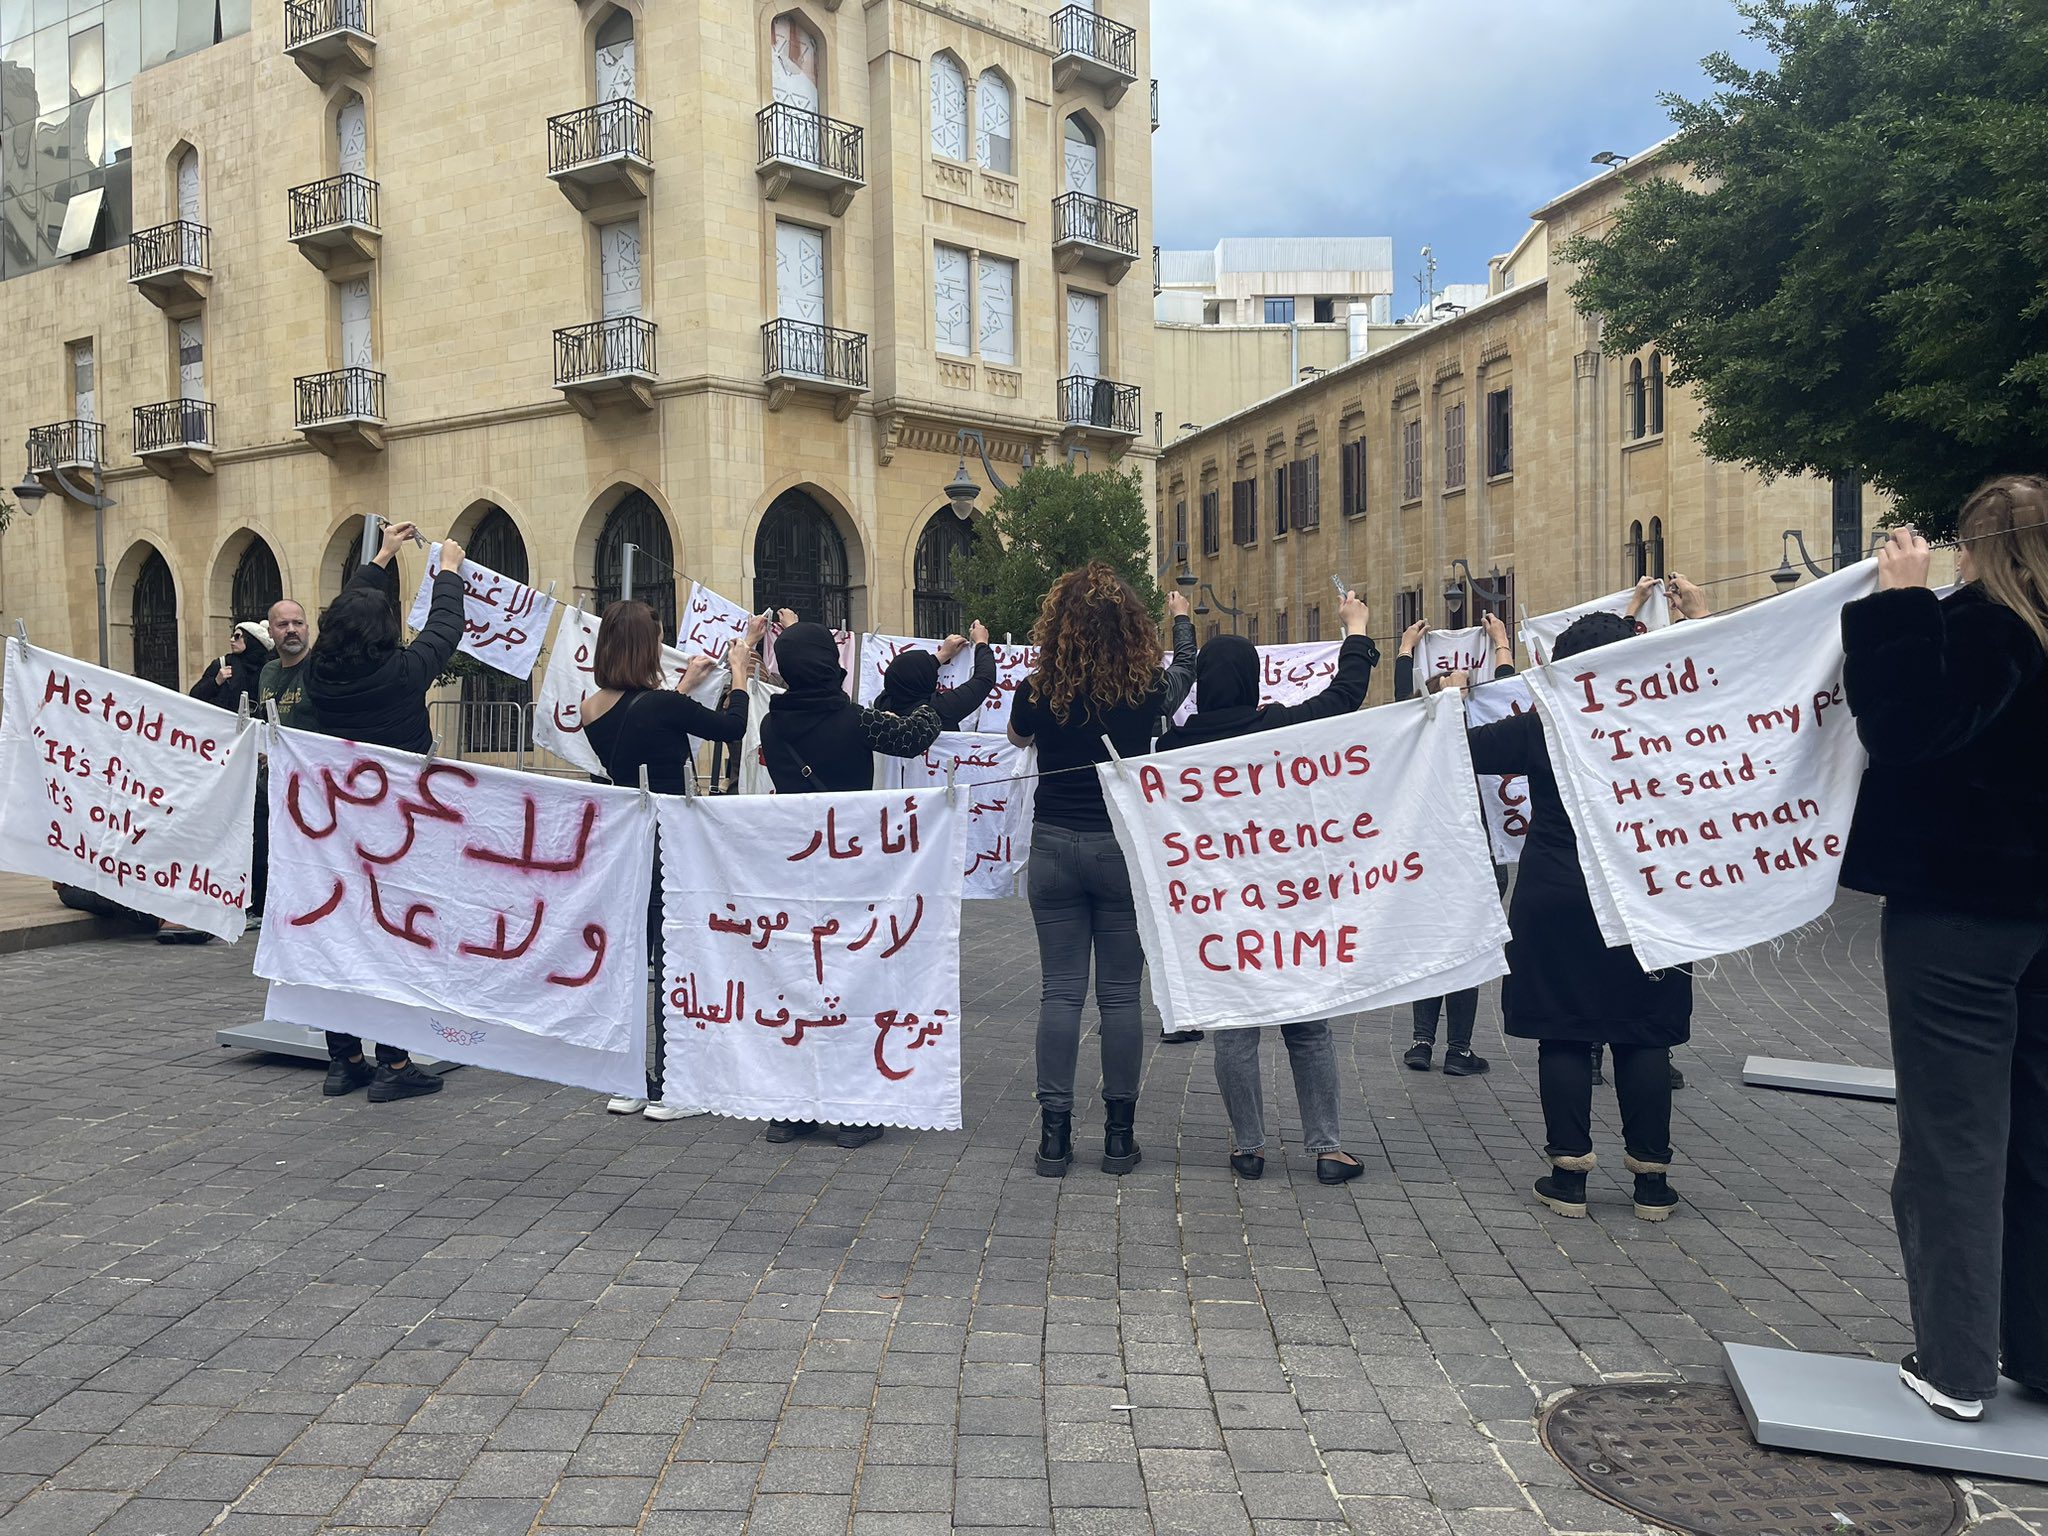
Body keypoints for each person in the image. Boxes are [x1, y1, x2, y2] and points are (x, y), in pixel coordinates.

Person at [1839, 483, 2048, 1425]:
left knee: (1954, 1139)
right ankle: (2039, 1350)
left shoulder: (1984, 630)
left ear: (1974, 545)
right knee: (2040, 1135)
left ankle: (1958, 1364)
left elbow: (1907, 730)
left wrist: (1897, 608)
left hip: (1963, 910)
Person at [1465, 574, 1710, 1223]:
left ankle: (1568, 1176)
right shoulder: (1661, 724)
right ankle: (1651, 1184)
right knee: (1644, 1034)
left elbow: (1455, 749)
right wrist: (1697, 620)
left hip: (1555, 894)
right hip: (1641, 894)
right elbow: (1716, 700)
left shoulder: (1542, 727)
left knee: (1565, 1034)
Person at [1157, 590, 1376, 1184]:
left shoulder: (1174, 748)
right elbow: (1343, 698)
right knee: (1308, 1025)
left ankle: (1248, 1148)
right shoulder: (1278, 728)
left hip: (1219, 912)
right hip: (1289, 904)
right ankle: (1327, 1149)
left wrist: (1179, 626)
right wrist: (1356, 632)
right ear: (1254, 680)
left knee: (1235, 1028)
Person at [1010, 567, 1195, 1178]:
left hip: (1055, 845)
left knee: (1060, 991)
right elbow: (1182, 680)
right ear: (1131, 628)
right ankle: (1119, 1137)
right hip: (1121, 848)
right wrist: (1184, 623)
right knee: (1120, 997)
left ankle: (1053, 1139)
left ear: (1057, 626)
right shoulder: (1144, 689)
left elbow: (1017, 737)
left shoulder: (1039, 689)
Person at [760, 611, 946, 1148]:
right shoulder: (854, 721)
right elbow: (914, 737)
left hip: (795, 871)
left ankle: (794, 1109)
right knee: (853, 982)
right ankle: (852, 1112)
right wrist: (930, 694)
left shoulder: (773, 724)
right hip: (852, 869)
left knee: (800, 983)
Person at [303, 520, 467, 1104]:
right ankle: (394, 1063)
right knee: (392, 938)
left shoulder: (319, 677)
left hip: (337, 829)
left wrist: (383, 556)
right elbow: (445, 628)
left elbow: (348, 613)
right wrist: (448, 570)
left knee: (342, 937)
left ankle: (344, 1062)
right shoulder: (400, 676)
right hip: (397, 832)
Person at [580, 603, 764, 1122]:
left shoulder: (590, 707)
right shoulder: (661, 705)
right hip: (671, 843)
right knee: (673, 957)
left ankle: (633, 1079)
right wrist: (742, 674)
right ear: (645, 649)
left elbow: (643, 729)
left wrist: (683, 686)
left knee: (635, 959)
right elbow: (731, 726)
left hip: (626, 845)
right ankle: (673, 1083)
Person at [1396, 610, 1517, 1076]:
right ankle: (1458, 1050)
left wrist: (1408, 651)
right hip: (1479, 853)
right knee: (1464, 948)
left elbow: (1404, 699)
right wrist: (1501, 644)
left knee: (1438, 945)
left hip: (1433, 852)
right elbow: (1506, 697)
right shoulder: (1482, 732)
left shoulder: (1422, 731)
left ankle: (1422, 1043)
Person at [253, 598, 318, 928]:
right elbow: (264, 720)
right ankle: (268, 912)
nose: (291, 630)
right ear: (272, 631)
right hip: (270, 785)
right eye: (283, 625)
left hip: (310, 789)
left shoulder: (320, 670)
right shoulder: (268, 672)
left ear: (308, 628)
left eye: (297, 623)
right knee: (268, 849)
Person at [874, 621, 998, 728]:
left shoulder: (882, 703)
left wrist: (943, 654)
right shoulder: (936, 711)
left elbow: (905, 673)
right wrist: (981, 642)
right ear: (923, 681)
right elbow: (984, 680)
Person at [190, 621, 272, 712]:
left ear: (252, 640)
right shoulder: (223, 664)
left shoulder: (269, 669)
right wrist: (216, 681)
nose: (232, 640)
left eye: (237, 636)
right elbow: (195, 695)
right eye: (232, 636)